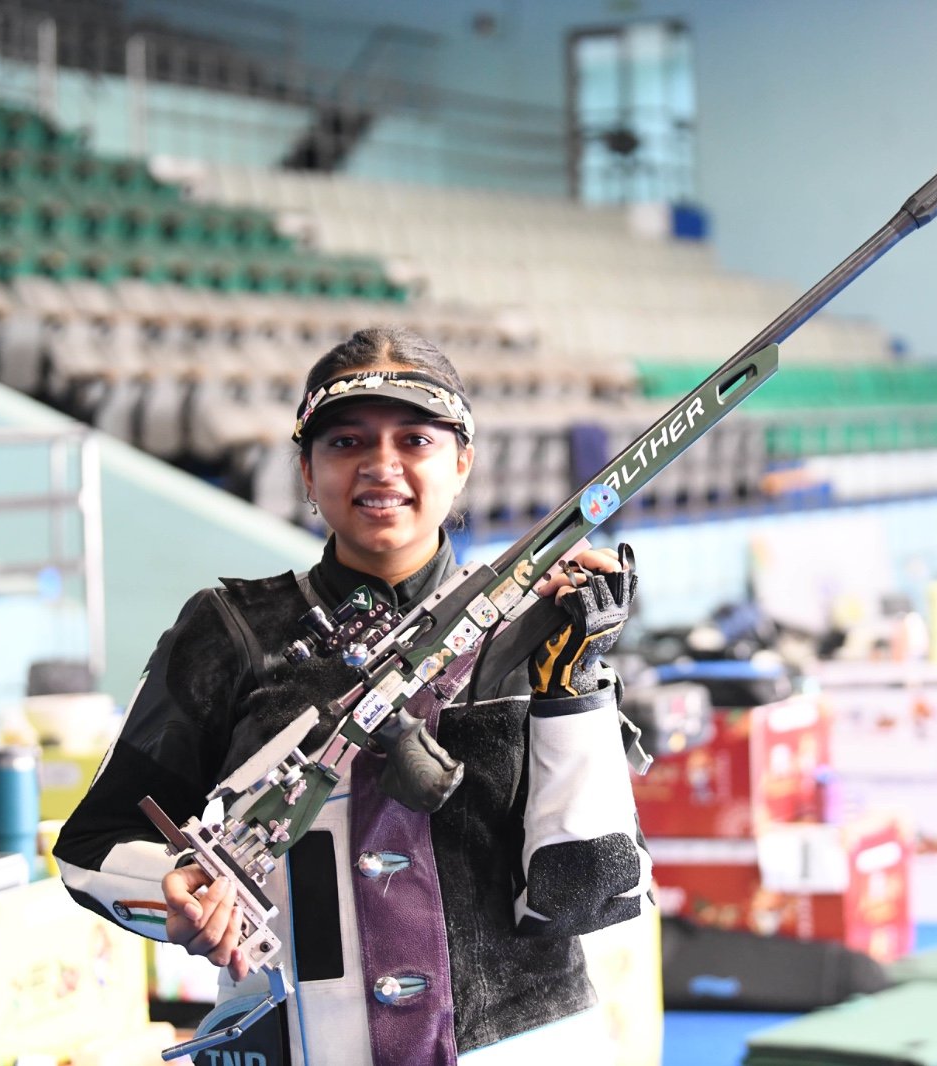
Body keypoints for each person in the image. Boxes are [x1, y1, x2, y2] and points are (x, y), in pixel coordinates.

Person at [55, 326, 650, 1065]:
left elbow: (582, 895)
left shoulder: (542, 626)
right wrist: (173, 891)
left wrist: (575, 693)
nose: (381, 466)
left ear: (462, 462)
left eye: (415, 440)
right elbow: (90, 846)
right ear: (305, 471)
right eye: (345, 443)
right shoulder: (233, 629)